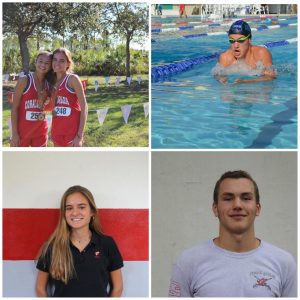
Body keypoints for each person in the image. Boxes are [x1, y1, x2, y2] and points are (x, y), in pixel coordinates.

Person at [169, 170, 297, 297]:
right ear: (215, 209)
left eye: (246, 198)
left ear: (257, 208)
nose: (237, 205)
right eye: (228, 198)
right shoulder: (188, 262)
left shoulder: (284, 263)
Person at [36, 185, 123, 297]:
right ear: (64, 213)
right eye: (69, 208)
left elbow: (118, 287)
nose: (75, 213)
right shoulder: (52, 246)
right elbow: (40, 288)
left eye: (81, 207)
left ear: (92, 211)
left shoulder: (107, 244)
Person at [10, 51, 54, 147]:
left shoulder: (49, 84)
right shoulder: (24, 80)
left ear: (51, 66)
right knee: (19, 161)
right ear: (35, 62)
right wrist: (14, 134)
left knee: (39, 161)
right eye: (40, 61)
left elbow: (49, 109)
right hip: (22, 132)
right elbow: (14, 108)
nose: (43, 65)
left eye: (47, 63)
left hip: (41, 132)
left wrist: (44, 102)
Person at [214, 20, 276, 84]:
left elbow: (271, 76)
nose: (236, 45)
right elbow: (217, 74)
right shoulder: (225, 57)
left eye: (240, 40)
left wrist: (246, 82)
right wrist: (220, 79)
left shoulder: (261, 53)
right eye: (232, 40)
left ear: (249, 40)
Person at [51, 48, 87, 147]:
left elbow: (84, 107)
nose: (57, 63)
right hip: (56, 132)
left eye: (62, 60)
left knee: (73, 162)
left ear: (68, 63)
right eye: (55, 59)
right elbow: (53, 109)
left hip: (72, 133)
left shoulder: (72, 79)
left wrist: (79, 136)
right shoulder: (51, 82)